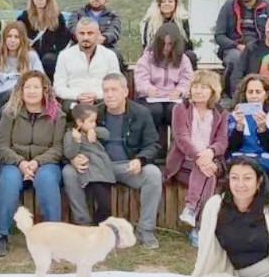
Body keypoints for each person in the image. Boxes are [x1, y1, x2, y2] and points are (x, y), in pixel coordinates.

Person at [63, 73, 162, 249]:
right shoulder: (94, 112)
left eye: (114, 90)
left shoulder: (141, 113)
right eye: (105, 90)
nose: (109, 94)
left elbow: (153, 144)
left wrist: (140, 159)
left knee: (153, 174)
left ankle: (145, 229)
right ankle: (84, 226)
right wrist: (73, 158)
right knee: (69, 172)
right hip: (96, 167)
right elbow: (72, 134)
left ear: (125, 91)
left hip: (127, 166)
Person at [0, 71, 66, 257]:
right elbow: (1, 145)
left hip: (45, 163)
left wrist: (36, 162)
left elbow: (58, 148)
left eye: (36, 87)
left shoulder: (57, 114)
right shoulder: (10, 112)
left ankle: (54, 237)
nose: (31, 91)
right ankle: (2, 234)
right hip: (14, 162)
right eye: (27, 87)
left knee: (47, 180)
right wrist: (20, 163)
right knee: (9, 180)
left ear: (44, 90)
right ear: (21, 90)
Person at [163, 70, 228, 247]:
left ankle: (191, 209)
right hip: (183, 163)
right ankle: (198, 229)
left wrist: (211, 152)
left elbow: (222, 141)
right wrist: (200, 157)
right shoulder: (180, 109)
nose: (198, 91)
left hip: (210, 160)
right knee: (208, 173)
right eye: (195, 87)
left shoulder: (221, 113)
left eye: (203, 88)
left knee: (207, 172)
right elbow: (181, 138)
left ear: (213, 92)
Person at [214, 0, 269, 97]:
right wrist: (236, 45)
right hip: (234, 47)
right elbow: (219, 36)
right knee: (235, 59)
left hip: (260, 47)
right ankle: (234, 97)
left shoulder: (267, 8)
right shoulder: (228, 7)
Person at [53, 18, 120, 116]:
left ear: (98, 34)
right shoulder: (64, 56)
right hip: (74, 100)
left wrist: (96, 95)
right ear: (76, 34)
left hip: (100, 101)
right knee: (70, 108)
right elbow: (59, 87)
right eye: (82, 33)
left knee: (112, 105)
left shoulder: (109, 55)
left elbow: (115, 83)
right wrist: (78, 96)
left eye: (90, 33)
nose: (85, 37)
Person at [134, 23, 193, 133]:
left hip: (173, 97)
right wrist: (148, 88)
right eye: (163, 44)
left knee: (176, 110)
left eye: (170, 44)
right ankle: (153, 144)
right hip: (150, 98)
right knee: (155, 110)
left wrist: (180, 91)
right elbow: (140, 78)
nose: (166, 48)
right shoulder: (147, 57)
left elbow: (187, 79)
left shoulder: (183, 59)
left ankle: (177, 144)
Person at [228, 74, 269, 188]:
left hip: (265, 163)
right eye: (250, 92)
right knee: (239, 172)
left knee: (253, 174)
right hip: (239, 160)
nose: (254, 96)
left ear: (266, 95)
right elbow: (232, 147)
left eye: (258, 92)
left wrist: (262, 128)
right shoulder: (235, 115)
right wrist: (239, 126)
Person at [63, 103, 115, 225]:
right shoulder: (70, 135)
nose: (94, 124)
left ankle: (99, 227)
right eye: (91, 121)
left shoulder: (94, 131)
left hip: (101, 171)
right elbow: (69, 153)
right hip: (88, 171)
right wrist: (76, 141)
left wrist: (93, 130)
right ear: (79, 122)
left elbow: (106, 134)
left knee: (105, 205)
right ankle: (87, 224)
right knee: (102, 202)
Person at [0, 21, 44, 119]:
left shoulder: (31, 57)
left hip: (26, 98)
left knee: (14, 110)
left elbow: (41, 80)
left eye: (16, 37)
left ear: (22, 39)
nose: (12, 40)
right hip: (1, 100)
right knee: (8, 108)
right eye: (9, 36)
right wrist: (16, 88)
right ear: (4, 38)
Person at [16, 0, 70, 80]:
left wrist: (54, 48)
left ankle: (49, 86)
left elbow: (63, 38)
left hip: (50, 53)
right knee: (28, 58)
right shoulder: (25, 17)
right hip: (30, 50)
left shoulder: (57, 17)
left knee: (48, 60)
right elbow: (18, 32)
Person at [67, 0, 123, 68]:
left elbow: (114, 31)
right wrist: (85, 37)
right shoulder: (77, 13)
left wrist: (103, 38)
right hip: (80, 46)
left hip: (106, 46)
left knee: (115, 56)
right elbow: (72, 28)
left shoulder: (113, 16)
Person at [140, 0, 197, 69]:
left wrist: (173, 51)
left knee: (191, 55)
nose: (166, 4)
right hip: (157, 52)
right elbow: (147, 42)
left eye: (170, 1)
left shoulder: (183, 20)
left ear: (175, 3)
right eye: (163, 1)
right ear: (159, 4)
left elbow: (185, 41)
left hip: (178, 51)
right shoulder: (150, 21)